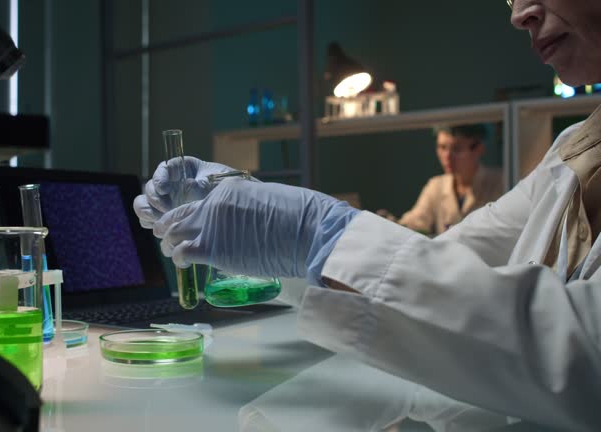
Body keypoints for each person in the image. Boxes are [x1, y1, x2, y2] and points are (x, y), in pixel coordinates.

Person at [134, 1, 601, 430]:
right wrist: (273, 226)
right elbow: (444, 270)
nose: (519, 13)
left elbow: (581, 357)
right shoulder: (573, 149)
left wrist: (317, 234)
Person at [377, 125, 503, 235]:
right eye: (442, 147)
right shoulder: (436, 185)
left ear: (478, 149)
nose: (447, 156)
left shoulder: (501, 182)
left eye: (456, 149)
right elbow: (415, 223)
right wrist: (387, 223)